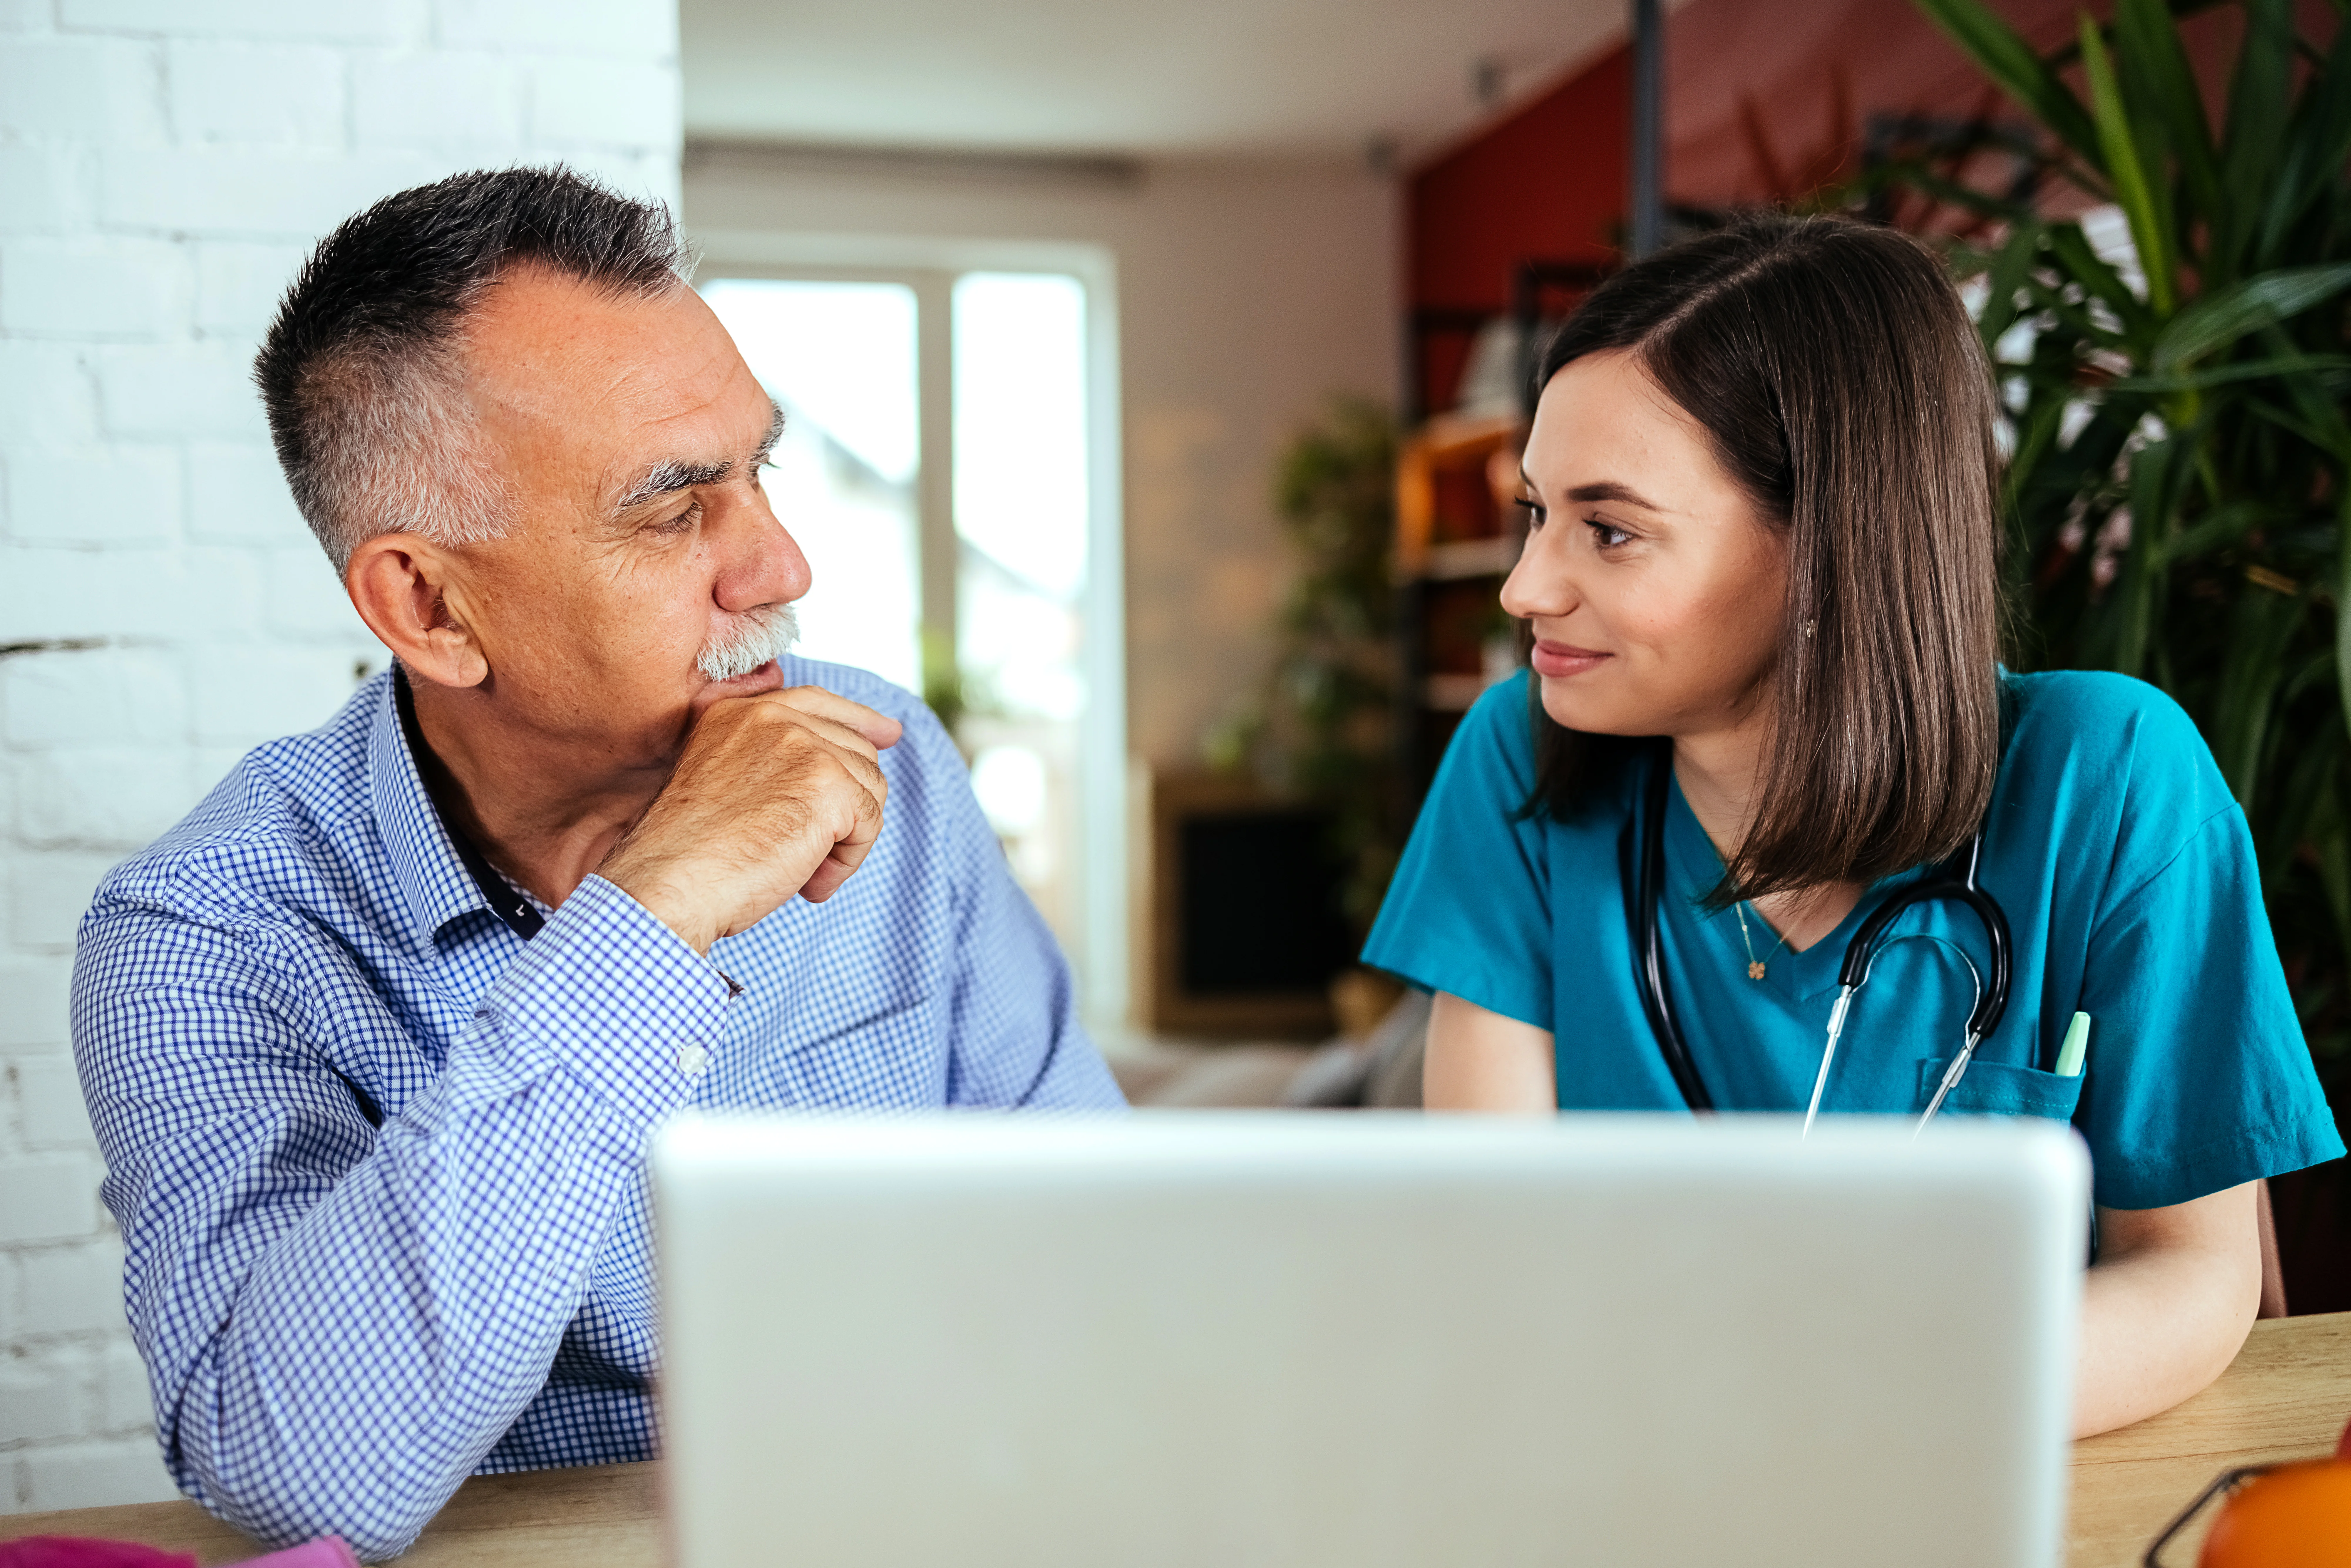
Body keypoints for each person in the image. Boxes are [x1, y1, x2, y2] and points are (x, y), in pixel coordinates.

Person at [70, 168, 1122, 1558]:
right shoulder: (208, 934)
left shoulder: (884, 756)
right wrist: (650, 917)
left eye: (758, 473)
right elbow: (299, 1474)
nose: (782, 568)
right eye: (675, 509)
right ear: (429, 607)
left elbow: (1103, 1252)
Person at [1362, 213, 2342, 1437]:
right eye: (1535, 513)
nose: (1526, 587)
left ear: (1829, 543)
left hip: (2000, 1477)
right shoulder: (1518, 756)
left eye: (1608, 530)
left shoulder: (2108, 777)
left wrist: (1849, 1417)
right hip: (1643, 1470)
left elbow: (2195, 1278)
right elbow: (1496, 1255)